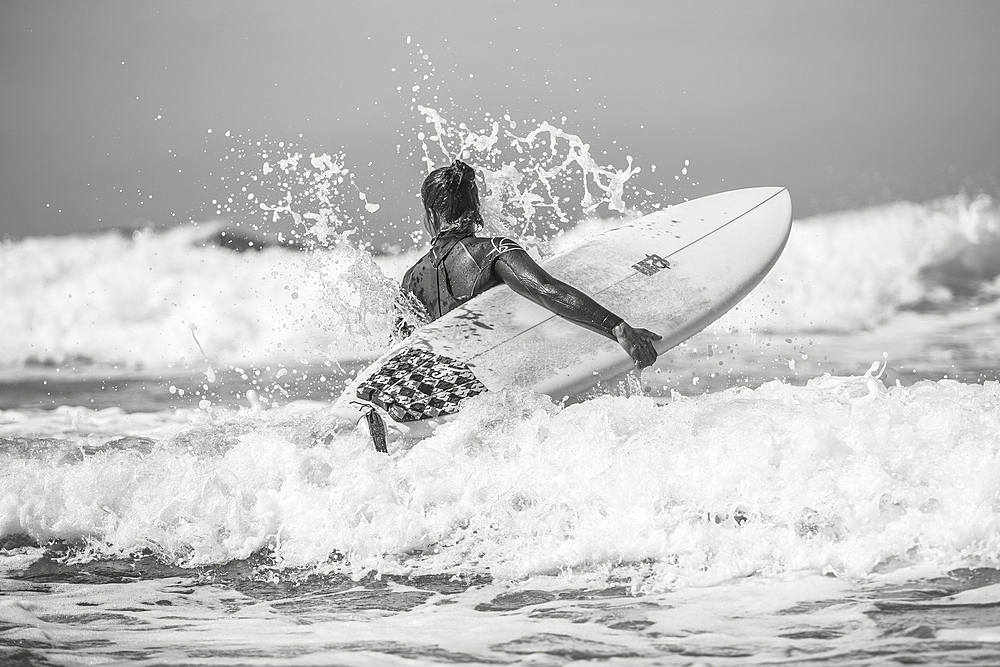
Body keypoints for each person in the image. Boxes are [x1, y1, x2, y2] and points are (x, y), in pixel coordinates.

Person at [398, 159, 661, 368]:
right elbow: (546, 289)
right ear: (476, 206)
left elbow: (397, 353)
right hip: (499, 376)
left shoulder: (410, 279)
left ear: (431, 214)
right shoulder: (493, 251)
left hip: (450, 388)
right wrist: (617, 327)